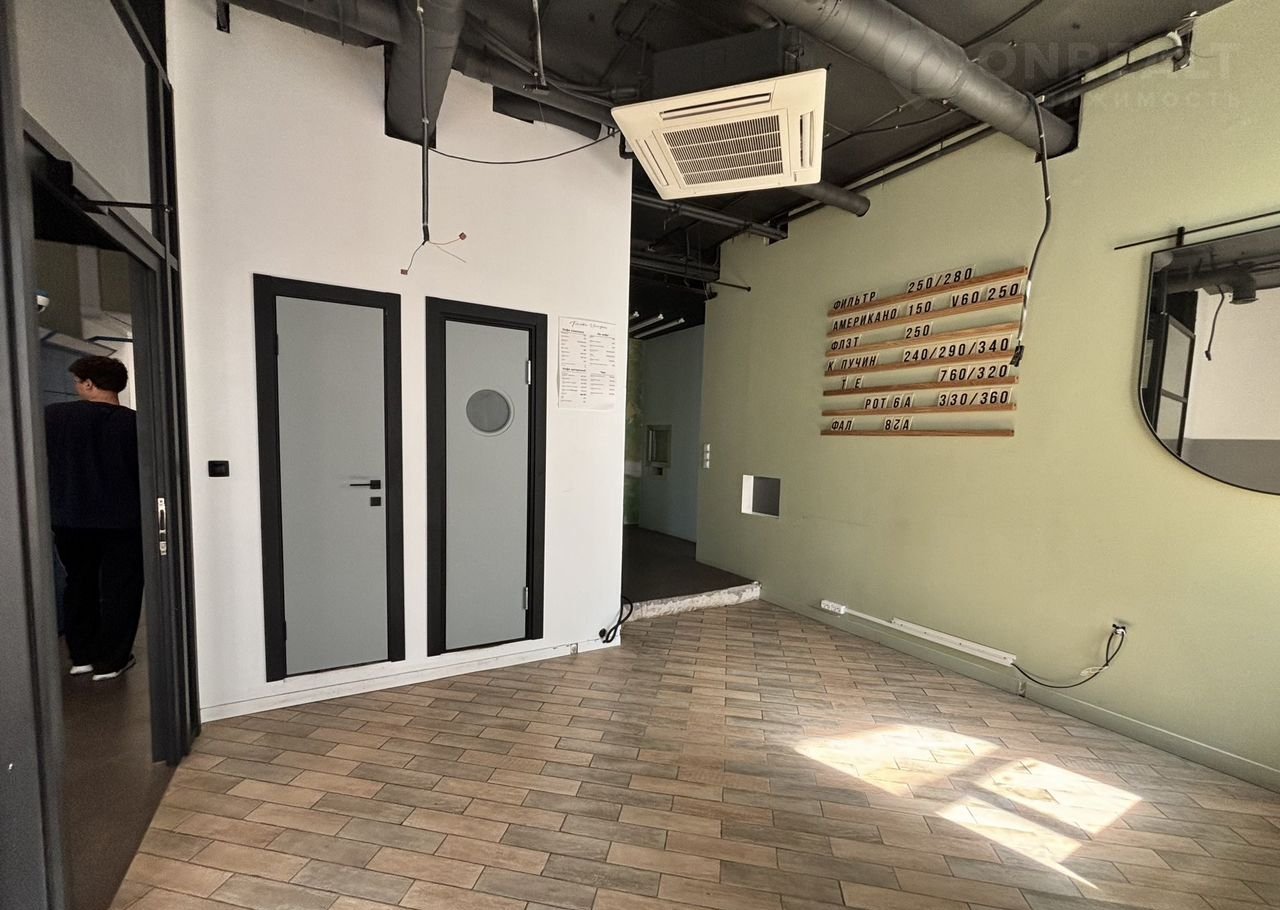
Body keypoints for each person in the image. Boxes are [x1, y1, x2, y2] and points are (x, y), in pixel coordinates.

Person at [45, 356, 144, 680]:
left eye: (77, 382)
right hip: (123, 522)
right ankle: (111, 662)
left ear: (89, 384)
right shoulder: (135, 424)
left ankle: (82, 657)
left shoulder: (54, 417)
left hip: (70, 520)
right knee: (121, 590)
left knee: (79, 584)